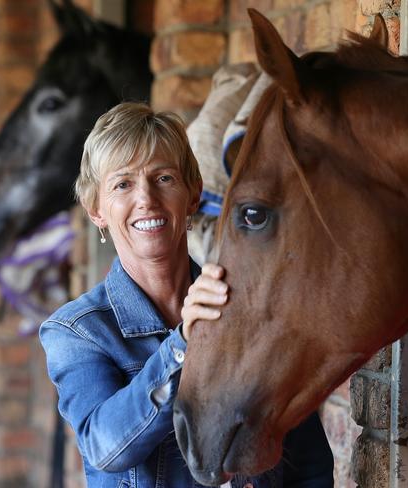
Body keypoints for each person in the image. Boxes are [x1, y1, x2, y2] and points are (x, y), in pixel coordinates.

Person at [39, 102, 334, 487]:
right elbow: (105, 447)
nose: (145, 198)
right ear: (97, 210)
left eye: (163, 178)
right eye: (122, 184)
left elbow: (309, 463)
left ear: (192, 194)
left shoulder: (251, 307)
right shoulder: (76, 332)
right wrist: (183, 345)